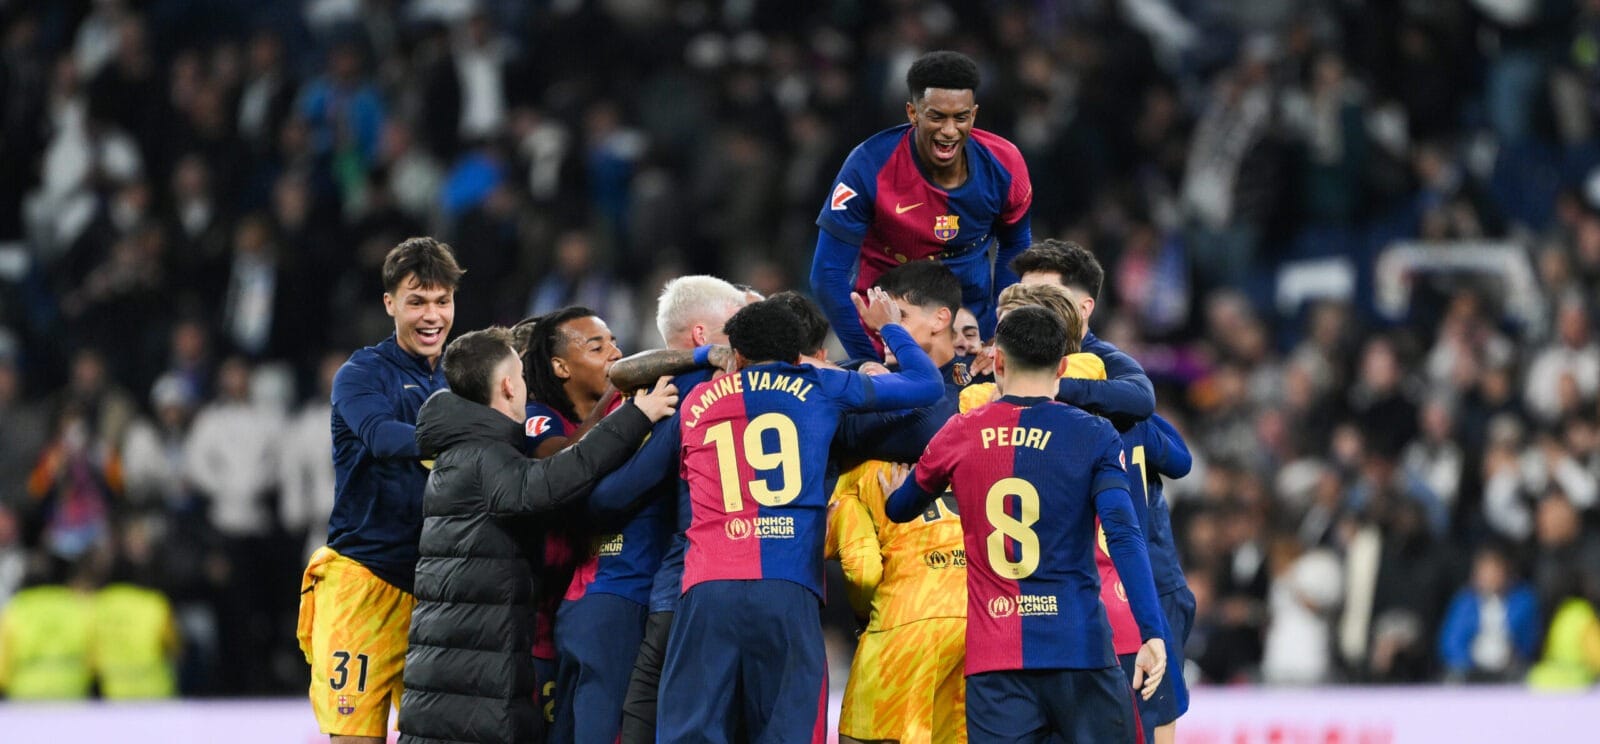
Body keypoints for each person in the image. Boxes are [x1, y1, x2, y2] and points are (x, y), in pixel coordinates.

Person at [884, 306, 1167, 743]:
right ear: (1062, 368)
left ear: (998, 361)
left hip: (995, 663)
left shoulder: (959, 432)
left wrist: (895, 495)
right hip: (1081, 651)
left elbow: (902, 508)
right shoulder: (1094, 434)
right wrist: (1152, 632)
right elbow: (1124, 536)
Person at [396, 327, 679, 744]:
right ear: (509, 387)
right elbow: (553, 480)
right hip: (469, 693)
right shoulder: (483, 456)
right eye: (522, 378)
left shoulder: (464, 451)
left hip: (457, 679)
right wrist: (636, 415)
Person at [296, 237, 462, 744]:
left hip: (436, 591)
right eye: (417, 301)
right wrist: (468, 437)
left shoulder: (462, 377)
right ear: (389, 303)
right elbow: (381, 436)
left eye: (442, 301)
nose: (431, 315)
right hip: (364, 583)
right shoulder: (361, 374)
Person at [825, 262, 978, 744]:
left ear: (940, 319)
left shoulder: (973, 396)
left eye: (900, 316)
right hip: (976, 619)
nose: (885, 329)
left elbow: (929, 421)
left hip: (906, 617)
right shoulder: (973, 399)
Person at [811, 50, 1033, 361]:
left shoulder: (1005, 164)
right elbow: (827, 274)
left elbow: (1016, 245)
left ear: (974, 115)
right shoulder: (869, 166)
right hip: (886, 338)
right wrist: (869, 359)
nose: (949, 130)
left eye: (960, 117)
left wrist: (1001, 334)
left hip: (970, 337)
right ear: (913, 113)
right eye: (936, 117)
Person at [1010, 239, 1156, 424]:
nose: (1026, 307)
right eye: (1022, 295)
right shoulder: (1005, 354)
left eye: (1043, 296)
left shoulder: (1105, 360)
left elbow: (1141, 397)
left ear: (1084, 309)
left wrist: (1052, 386)